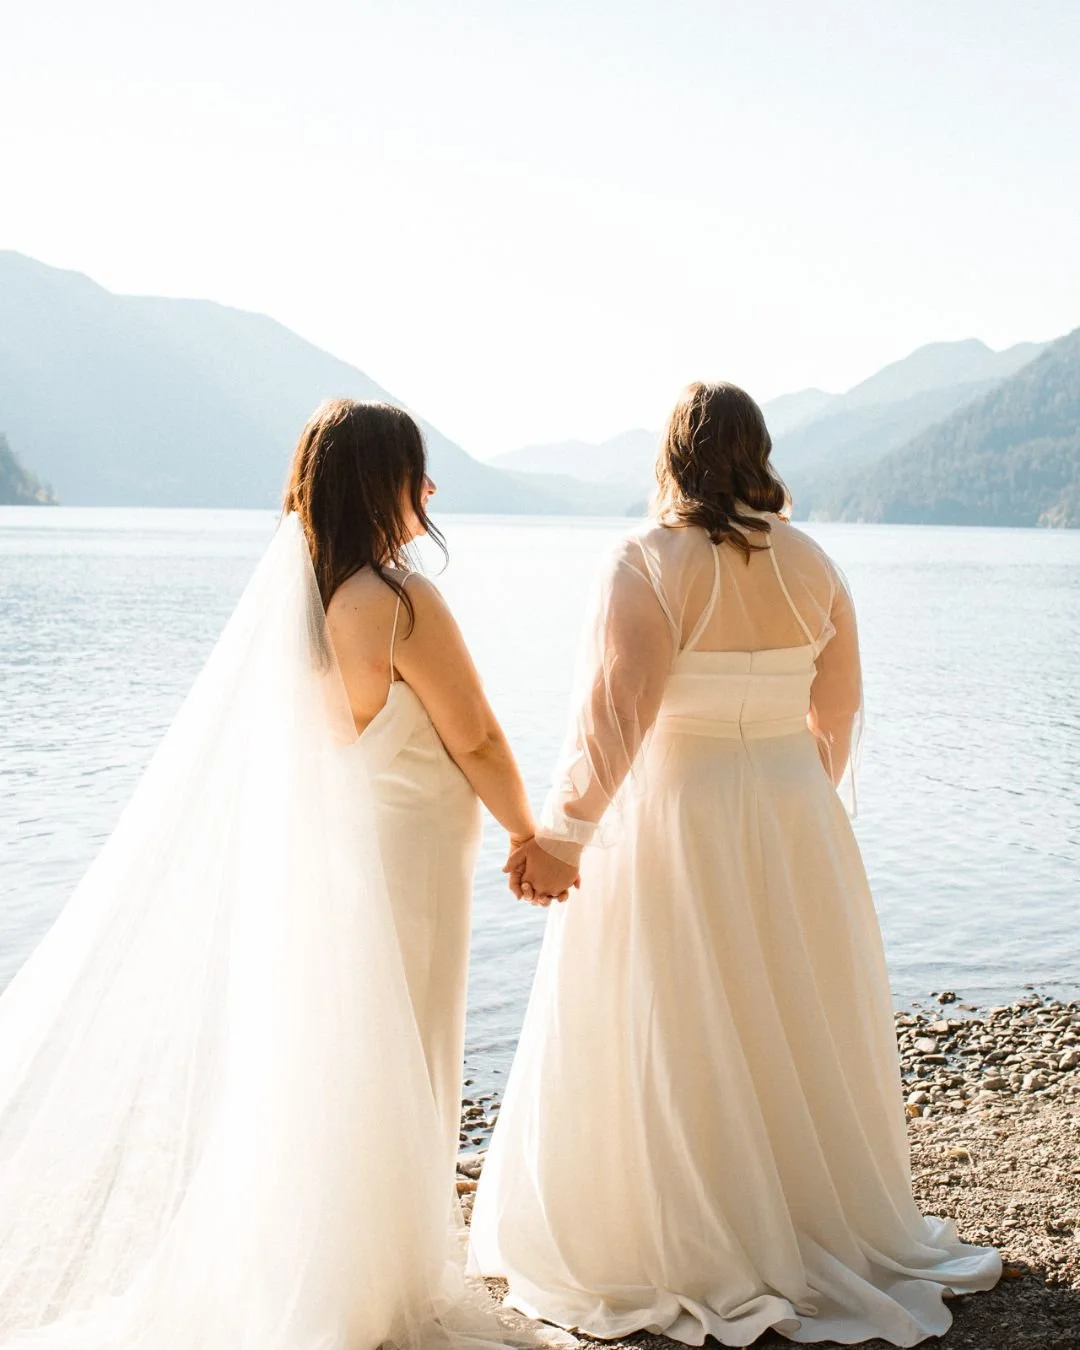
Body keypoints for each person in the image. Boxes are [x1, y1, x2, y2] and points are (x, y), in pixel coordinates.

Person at [0, 399, 547, 1350]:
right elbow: (481, 736)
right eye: (419, 472)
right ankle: (381, 1280)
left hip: (343, 869)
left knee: (338, 1061)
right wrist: (530, 836)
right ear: (386, 483)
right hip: (411, 873)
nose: (432, 491)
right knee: (407, 1053)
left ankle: (326, 1266)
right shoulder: (400, 603)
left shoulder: (309, 606)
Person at [472, 381, 1001, 1347]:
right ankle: (803, 1214)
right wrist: (792, 796)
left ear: (670, 457)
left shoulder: (644, 559)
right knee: (787, 1008)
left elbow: (617, 711)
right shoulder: (816, 565)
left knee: (673, 1014)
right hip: (797, 812)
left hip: (679, 811)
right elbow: (835, 715)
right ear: (759, 453)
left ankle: (689, 1228)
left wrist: (564, 834)